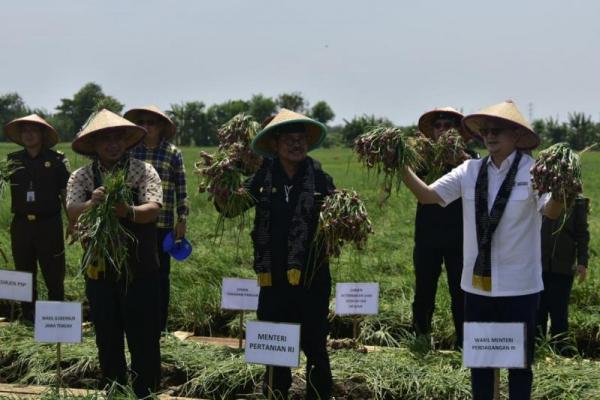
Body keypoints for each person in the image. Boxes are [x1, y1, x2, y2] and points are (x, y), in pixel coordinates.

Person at [401, 100, 563, 399]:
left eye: (497, 130)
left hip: (520, 288)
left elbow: (551, 211)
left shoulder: (534, 172)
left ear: (516, 135)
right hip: (477, 287)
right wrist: (399, 164)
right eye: (485, 130)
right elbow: (427, 196)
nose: (489, 136)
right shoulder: (470, 170)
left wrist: (565, 191)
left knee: (519, 366)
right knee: (480, 364)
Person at [216, 109, 335, 400]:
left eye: (301, 139)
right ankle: (275, 393)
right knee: (276, 346)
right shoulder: (262, 177)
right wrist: (223, 185)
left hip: (311, 278)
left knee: (316, 346)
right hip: (273, 280)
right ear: (275, 144)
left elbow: (337, 221)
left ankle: (319, 395)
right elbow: (231, 209)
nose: (296, 145)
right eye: (289, 139)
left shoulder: (320, 178)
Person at [66, 109, 163, 398]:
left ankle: (146, 391)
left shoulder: (143, 171)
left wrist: (127, 211)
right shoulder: (81, 177)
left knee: (143, 334)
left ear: (126, 141)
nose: (111, 144)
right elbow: (71, 212)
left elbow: (154, 209)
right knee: (107, 334)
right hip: (100, 269)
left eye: (116, 138)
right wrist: (91, 204)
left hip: (140, 267)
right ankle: (115, 389)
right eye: (104, 139)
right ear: (94, 144)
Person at [411, 107, 473, 348]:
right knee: (424, 289)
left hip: (460, 237)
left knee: (460, 291)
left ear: (458, 131)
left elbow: (481, 185)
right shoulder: (422, 159)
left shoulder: (472, 160)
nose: (443, 130)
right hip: (428, 236)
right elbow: (418, 189)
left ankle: (464, 342)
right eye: (439, 126)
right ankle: (421, 336)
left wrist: (460, 160)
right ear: (433, 132)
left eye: (449, 125)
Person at [125, 105, 188, 332]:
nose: (146, 127)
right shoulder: (132, 152)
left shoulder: (172, 153)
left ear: (161, 127)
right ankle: (138, 321)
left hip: (163, 225)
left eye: (151, 123)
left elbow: (181, 188)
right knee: (137, 273)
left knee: (161, 276)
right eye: (142, 122)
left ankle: (159, 326)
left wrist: (182, 218)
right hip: (136, 223)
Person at [4, 114, 70, 322]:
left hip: (49, 224)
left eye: (33, 130)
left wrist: (75, 223)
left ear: (42, 134)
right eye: (24, 130)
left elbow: (65, 194)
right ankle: (27, 317)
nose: (29, 134)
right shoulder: (12, 161)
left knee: (53, 274)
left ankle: (54, 320)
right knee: (23, 273)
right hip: (21, 224)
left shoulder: (57, 160)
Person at [537, 194, 589, 352]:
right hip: (538, 266)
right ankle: (537, 350)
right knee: (538, 310)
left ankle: (560, 351)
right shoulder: (538, 195)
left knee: (559, 312)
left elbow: (582, 234)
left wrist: (582, 262)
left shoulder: (577, 201)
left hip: (563, 267)